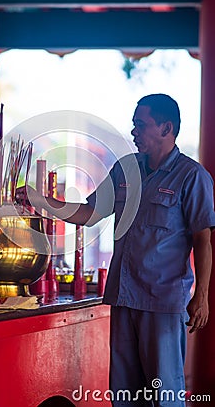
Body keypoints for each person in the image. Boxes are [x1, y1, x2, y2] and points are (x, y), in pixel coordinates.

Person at [16, 94, 215, 406]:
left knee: (165, 395)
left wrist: (202, 295)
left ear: (166, 128)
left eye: (141, 124)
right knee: (124, 393)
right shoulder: (125, 170)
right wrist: (42, 201)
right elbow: (89, 213)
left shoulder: (192, 176)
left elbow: (203, 238)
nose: (133, 131)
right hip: (124, 298)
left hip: (162, 303)